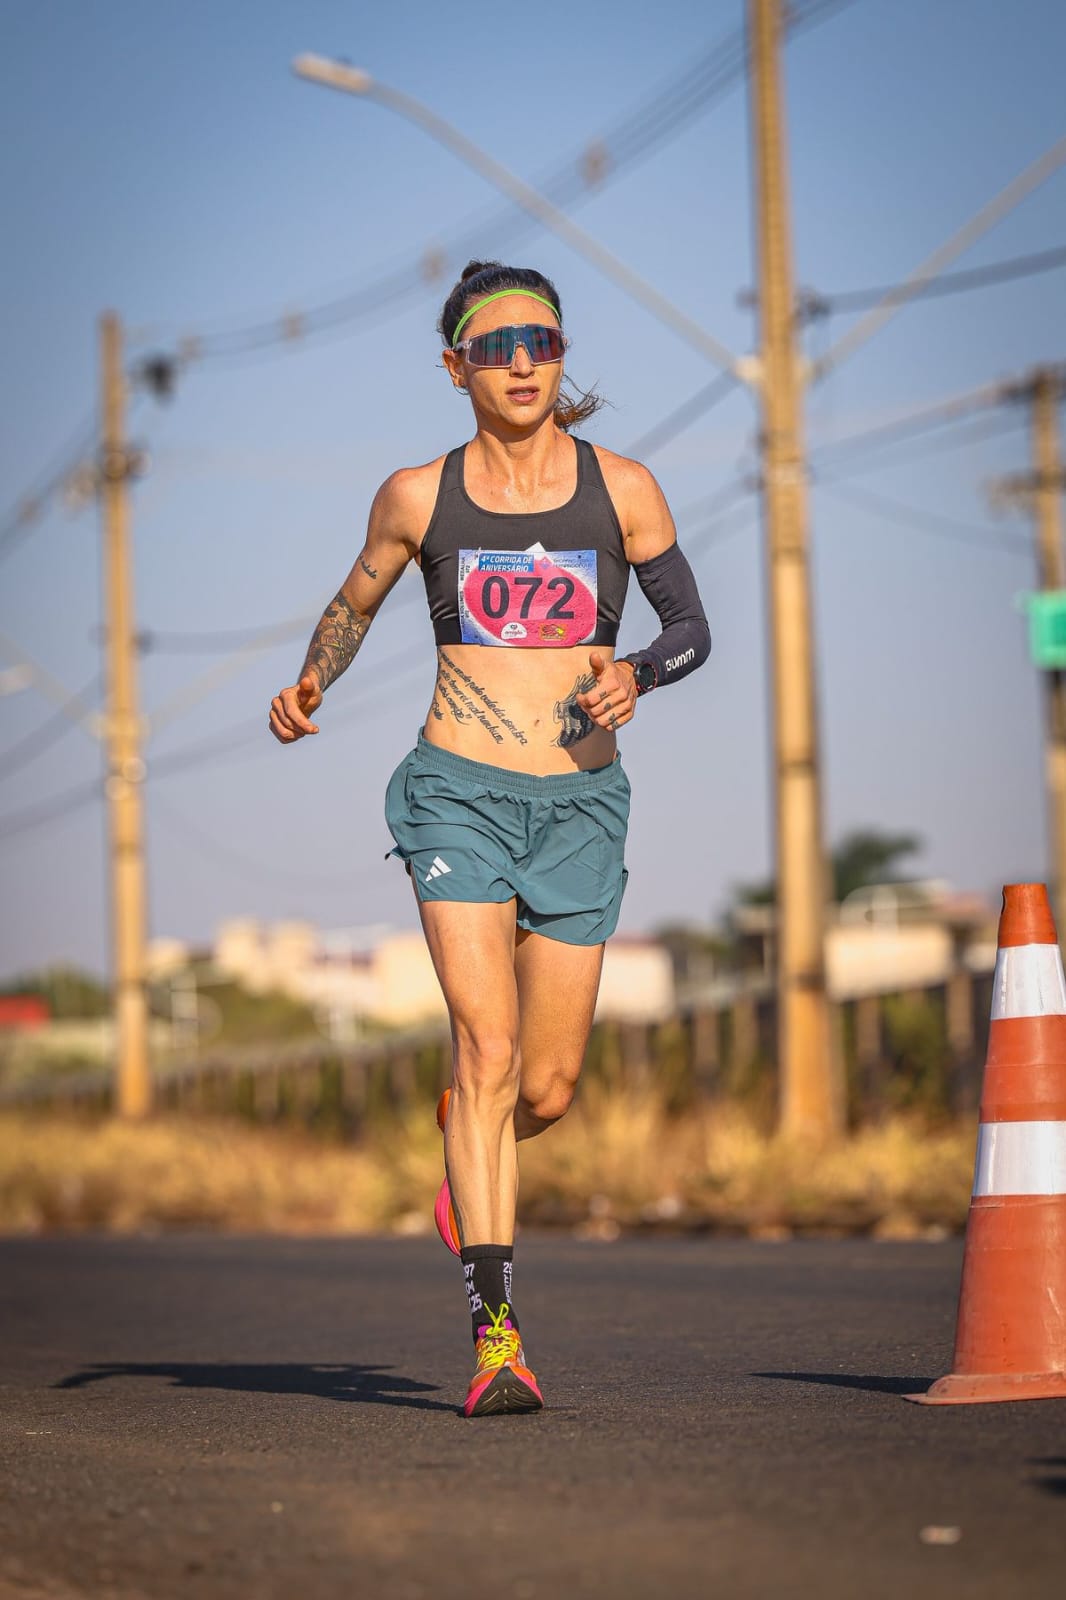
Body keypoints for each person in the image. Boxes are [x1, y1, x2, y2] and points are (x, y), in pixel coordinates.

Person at [270, 260, 710, 1417]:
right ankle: (497, 1332)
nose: (522, 362)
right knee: (488, 1048)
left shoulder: (623, 489)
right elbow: (354, 601)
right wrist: (309, 681)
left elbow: (689, 626)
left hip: (579, 805)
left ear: (561, 357)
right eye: (497, 343)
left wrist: (635, 673)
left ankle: (471, 1142)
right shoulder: (420, 496)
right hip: (455, 791)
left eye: (542, 341)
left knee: (546, 1087)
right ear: (456, 363)